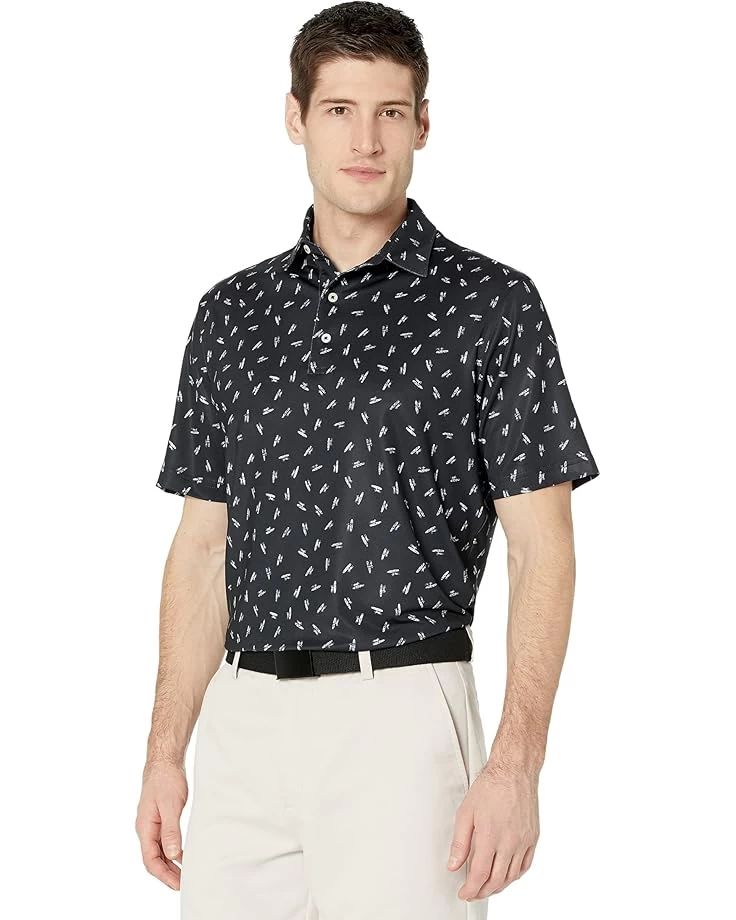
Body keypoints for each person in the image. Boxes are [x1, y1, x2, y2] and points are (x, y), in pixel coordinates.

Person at [135, 2, 600, 917]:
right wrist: (163, 752)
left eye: (389, 111)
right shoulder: (231, 315)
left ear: (423, 123)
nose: (365, 140)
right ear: (295, 117)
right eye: (340, 109)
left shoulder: (491, 305)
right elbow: (200, 549)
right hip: (243, 720)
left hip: (400, 712)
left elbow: (542, 547)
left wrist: (516, 765)